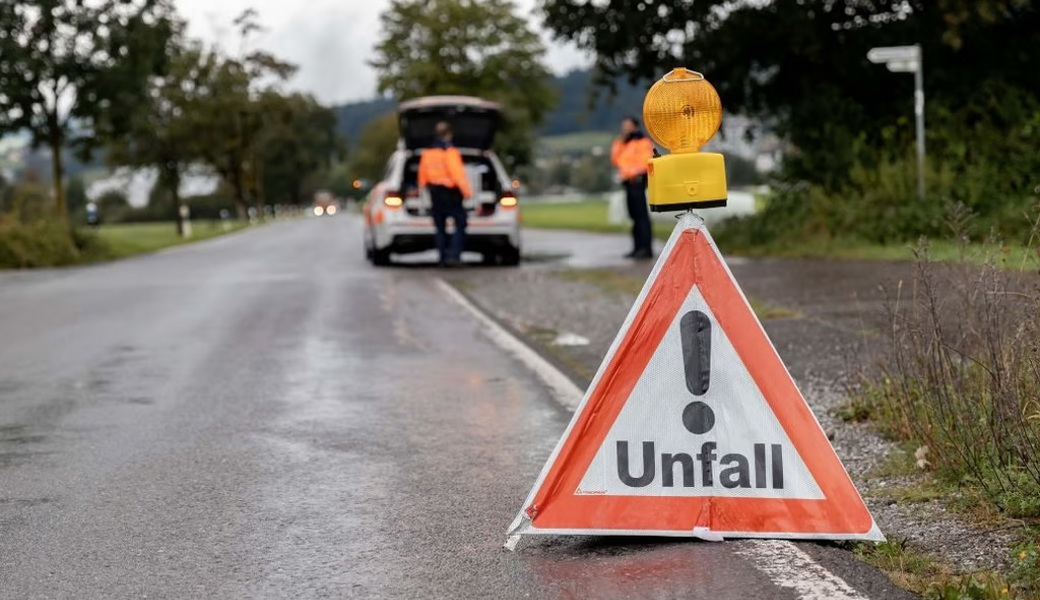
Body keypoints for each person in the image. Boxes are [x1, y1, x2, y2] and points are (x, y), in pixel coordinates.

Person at [418, 121, 473, 266]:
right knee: (461, 223)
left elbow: (422, 176)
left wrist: (422, 191)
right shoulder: (450, 152)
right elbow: (457, 174)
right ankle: (454, 256)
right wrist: (466, 192)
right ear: (448, 134)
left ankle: (442, 257)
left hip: (435, 193)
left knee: (440, 227)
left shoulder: (427, 153)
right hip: (451, 192)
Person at [611, 116, 656, 259]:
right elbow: (615, 159)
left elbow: (645, 162)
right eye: (623, 126)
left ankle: (646, 248)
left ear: (635, 127)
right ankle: (637, 248)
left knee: (641, 216)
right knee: (634, 216)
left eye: (627, 126)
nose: (625, 129)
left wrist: (634, 173)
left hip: (637, 181)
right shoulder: (624, 143)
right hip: (628, 182)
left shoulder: (643, 142)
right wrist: (620, 141)